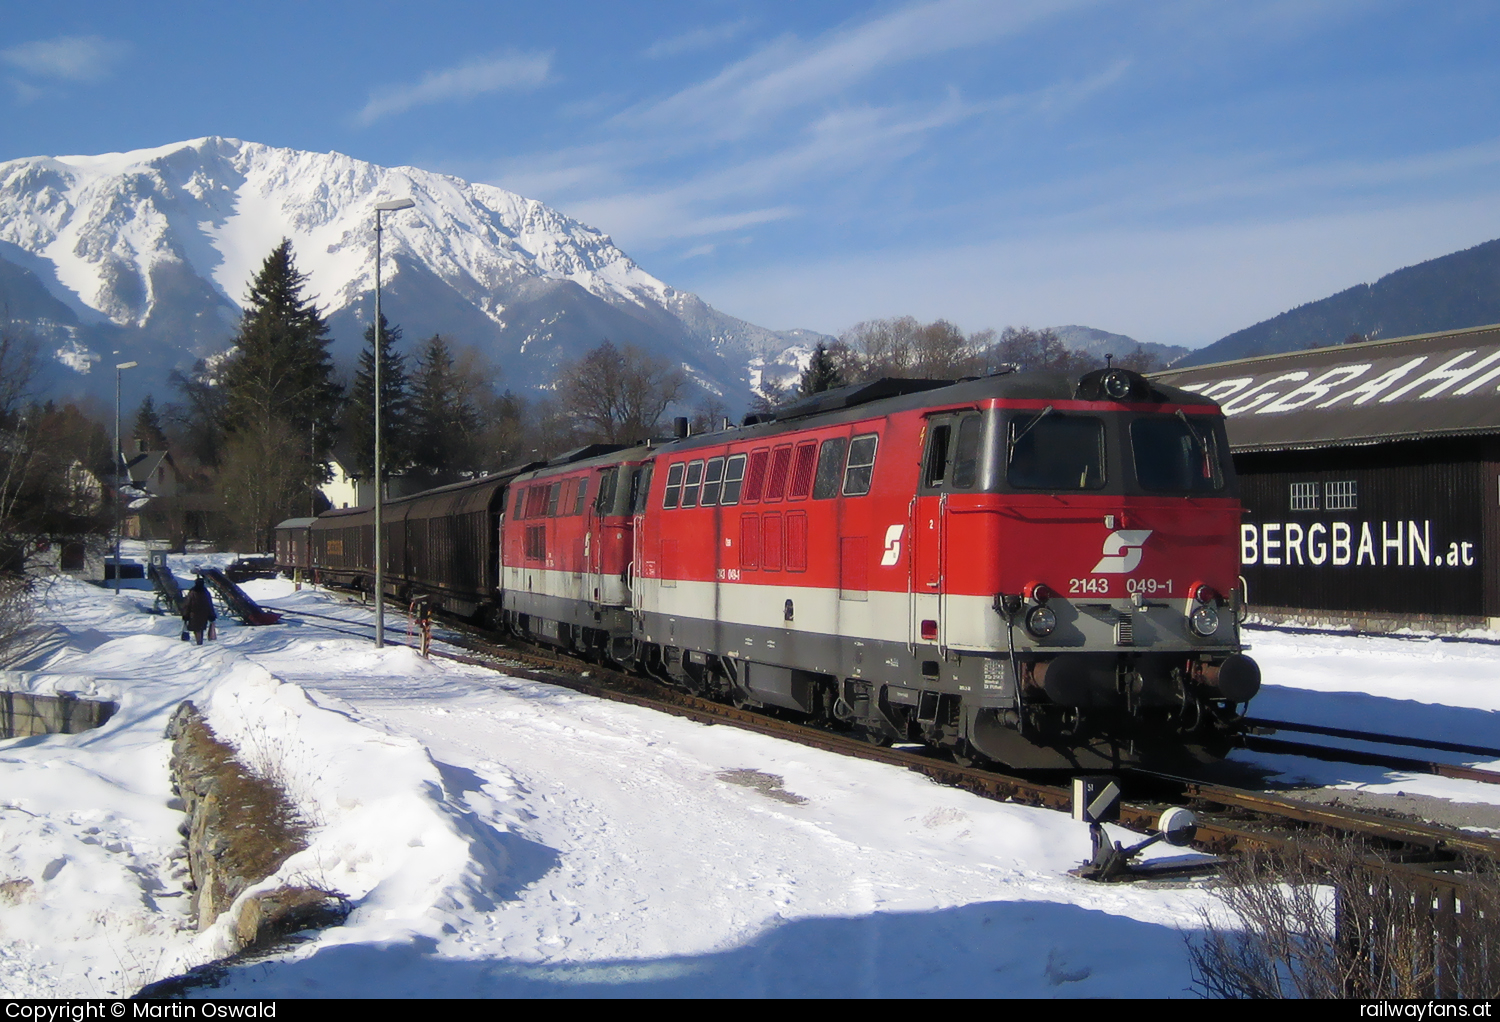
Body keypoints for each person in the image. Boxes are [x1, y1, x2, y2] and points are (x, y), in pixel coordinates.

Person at [182, 576, 217, 645]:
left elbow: (188, 604)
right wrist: (211, 615)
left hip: (194, 614)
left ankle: (199, 641)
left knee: (196, 629)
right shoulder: (206, 593)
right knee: (200, 628)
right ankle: (200, 641)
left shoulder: (192, 592)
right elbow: (209, 604)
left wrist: (186, 614)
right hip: (204, 614)